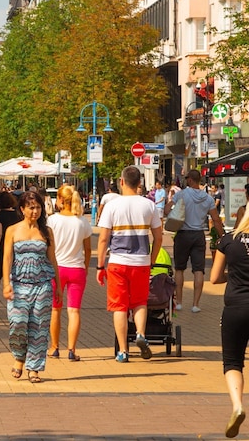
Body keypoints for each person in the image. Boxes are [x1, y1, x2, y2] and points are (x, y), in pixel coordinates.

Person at [97, 165, 163, 363]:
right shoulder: (149, 205)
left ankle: (123, 351)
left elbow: (102, 239)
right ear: (140, 183)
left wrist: (100, 265)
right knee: (140, 302)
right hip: (141, 262)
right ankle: (141, 334)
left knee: (120, 307)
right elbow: (158, 238)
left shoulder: (112, 206)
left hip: (118, 262)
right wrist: (152, 260)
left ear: (122, 181)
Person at [2, 191, 58, 384]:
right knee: (17, 324)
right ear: (22, 209)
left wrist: (57, 285)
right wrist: (6, 284)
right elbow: (7, 258)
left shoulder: (46, 231)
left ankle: (34, 368)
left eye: (38, 207)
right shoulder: (12, 230)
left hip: (42, 285)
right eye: (31, 207)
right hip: (18, 285)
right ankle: (19, 357)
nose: (35, 211)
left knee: (39, 328)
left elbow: (52, 259)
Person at [210, 210, 249, 438]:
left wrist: (233, 276)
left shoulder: (228, 240)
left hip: (235, 307)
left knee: (233, 362)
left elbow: (214, 278)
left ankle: (237, 406)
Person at [165, 169, 224, 312]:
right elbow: (216, 219)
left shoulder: (182, 194)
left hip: (183, 234)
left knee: (179, 268)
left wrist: (172, 204)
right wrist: (222, 236)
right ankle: (196, 304)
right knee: (199, 270)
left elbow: (167, 210)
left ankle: (179, 302)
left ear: (190, 180)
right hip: (199, 235)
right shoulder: (208, 198)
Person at [46, 184, 92, 361]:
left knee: (55, 310)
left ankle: (54, 347)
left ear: (58, 200)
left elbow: (49, 247)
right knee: (74, 311)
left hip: (57, 269)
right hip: (77, 269)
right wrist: (86, 267)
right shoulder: (82, 221)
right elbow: (87, 249)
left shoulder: (53, 221)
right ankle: (72, 349)